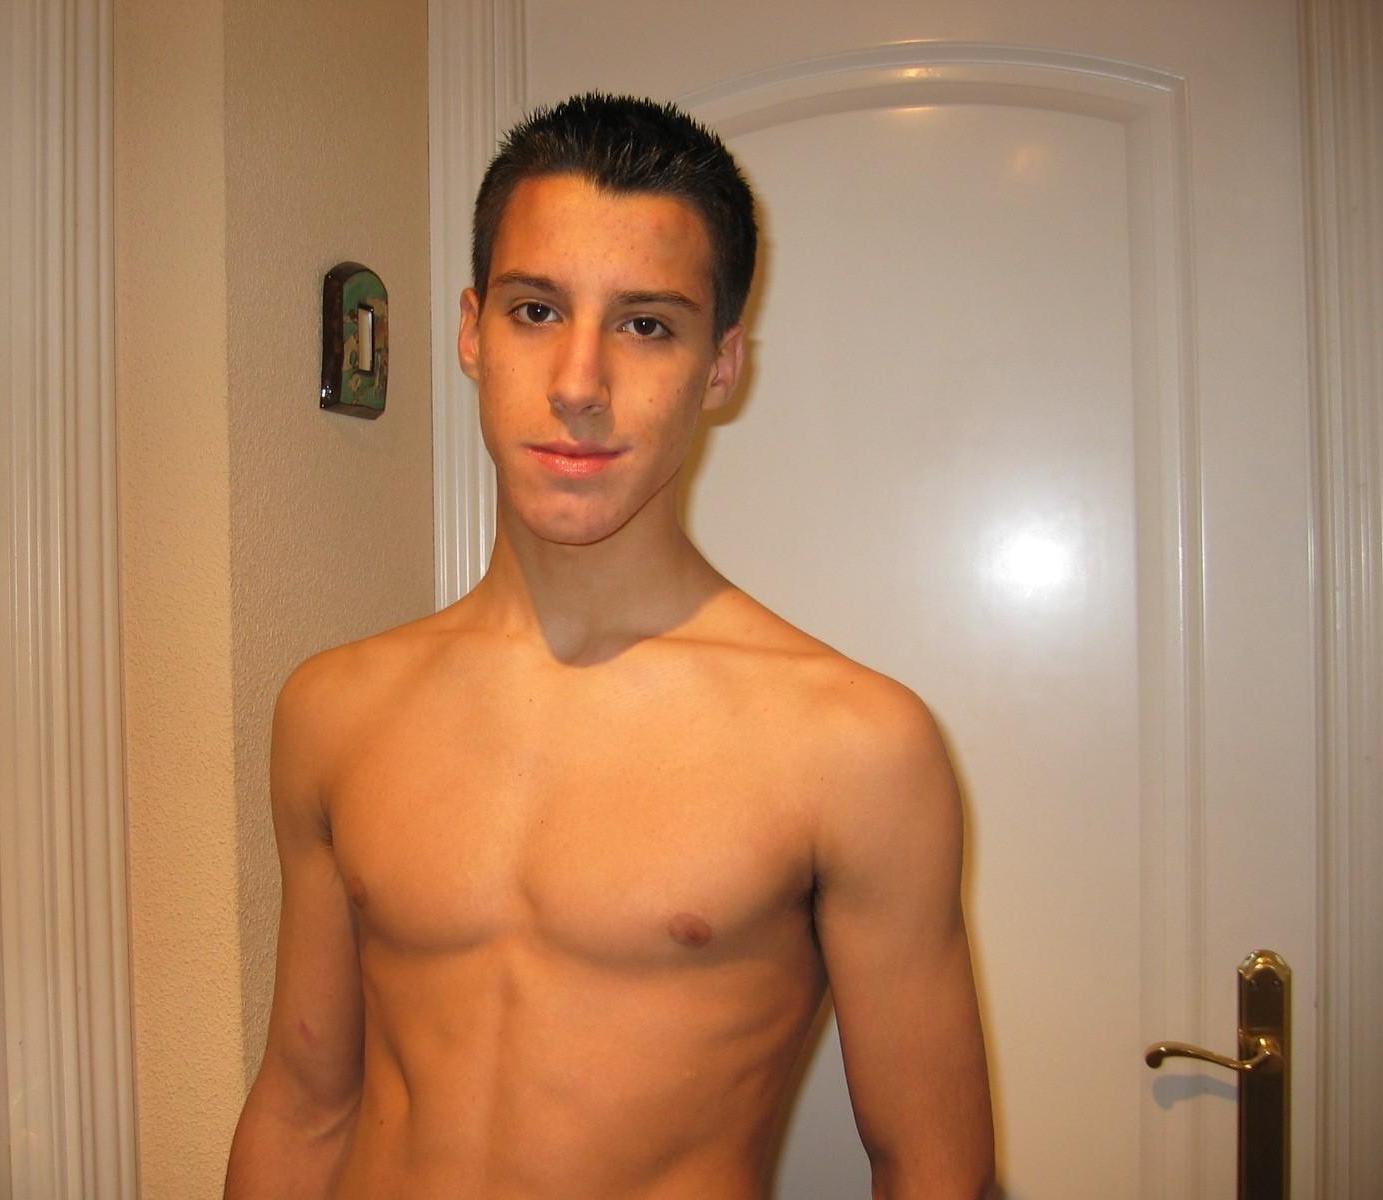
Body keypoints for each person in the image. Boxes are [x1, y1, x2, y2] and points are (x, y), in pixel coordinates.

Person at [224, 93, 995, 1200]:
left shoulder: (855, 748)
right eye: (536, 311)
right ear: (471, 331)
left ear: (721, 364)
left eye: (646, 325)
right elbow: (303, 1108)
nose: (579, 386)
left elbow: (932, 1168)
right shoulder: (334, 711)